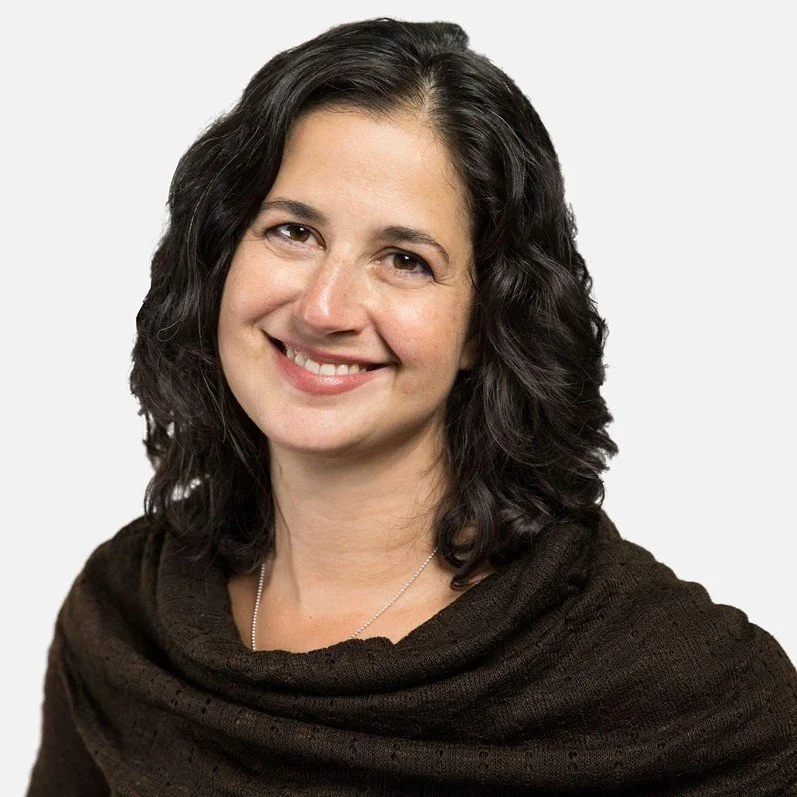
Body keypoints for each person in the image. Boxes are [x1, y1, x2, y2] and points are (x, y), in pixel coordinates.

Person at [26, 17, 797, 796]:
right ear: (224, 253)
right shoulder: (122, 626)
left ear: (485, 321)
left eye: (404, 259)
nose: (324, 307)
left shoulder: (674, 691)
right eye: (293, 231)